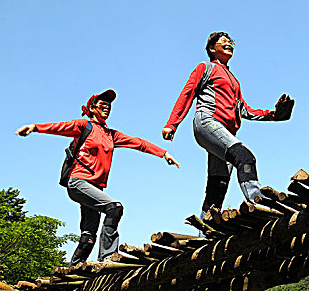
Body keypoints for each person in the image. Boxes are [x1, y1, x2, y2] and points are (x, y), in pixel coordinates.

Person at [15, 89, 179, 265]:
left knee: (88, 237)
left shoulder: (111, 135)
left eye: (109, 105)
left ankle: (73, 268)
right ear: (92, 108)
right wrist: (35, 127)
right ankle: (108, 256)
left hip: (95, 188)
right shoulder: (84, 126)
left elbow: (138, 143)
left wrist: (163, 153)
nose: (107, 107)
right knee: (114, 208)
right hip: (78, 181)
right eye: (102, 104)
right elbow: (60, 126)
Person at [162, 32, 294, 220]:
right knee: (245, 157)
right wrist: (172, 124)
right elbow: (187, 93)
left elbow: (246, 111)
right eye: (222, 41)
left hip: (224, 132)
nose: (228, 43)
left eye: (230, 41)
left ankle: (205, 233)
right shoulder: (206, 67)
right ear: (211, 49)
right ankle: (259, 205)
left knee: (217, 188)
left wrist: (273, 115)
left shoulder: (234, 81)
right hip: (207, 122)